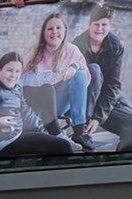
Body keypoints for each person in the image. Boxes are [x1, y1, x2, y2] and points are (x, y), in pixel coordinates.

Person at [0, 52, 73, 157]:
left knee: (47, 89)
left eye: (17, 71)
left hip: (19, 133)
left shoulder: (16, 88)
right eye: (9, 70)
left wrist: (43, 131)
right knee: (64, 146)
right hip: (4, 143)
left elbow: (26, 112)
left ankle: (55, 134)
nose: (13, 75)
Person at [72, 5, 132, 152]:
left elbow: (113, 84)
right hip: (82, 102)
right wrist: (88, 118)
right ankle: (82, 132)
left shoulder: (115, 46)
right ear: (89, 25)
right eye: (96, 24)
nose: (100, 29)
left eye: (104, 24)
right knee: (94, 70)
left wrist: (98, 118)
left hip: (103, 102)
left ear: (110, 26)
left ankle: (122, 164)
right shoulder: (77, 45)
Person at [21, 12, 93, 151]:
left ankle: (79, 131)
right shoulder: (36, 51)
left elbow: (86, 80)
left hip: (58, 104)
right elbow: (20, 76)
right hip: (38, 103)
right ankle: (51, 128)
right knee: (47, 87)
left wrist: (75, 66)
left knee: (79, 74)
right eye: (50, 29)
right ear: (44, 33)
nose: (55, 32)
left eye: (58, 28)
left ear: (65, 31)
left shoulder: (72, 50)